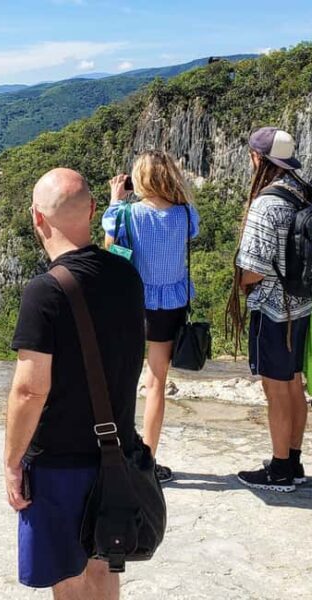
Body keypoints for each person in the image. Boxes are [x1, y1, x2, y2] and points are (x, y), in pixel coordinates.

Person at [4, 167, 145, 599]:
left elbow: (30, 390)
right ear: (92, 211)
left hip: (58, 463)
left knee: (68, 580)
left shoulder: (44, 292)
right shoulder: (127, 276)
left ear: (37, 218)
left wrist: (12, 461)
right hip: (115, 455)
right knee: (105, 566)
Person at [226, 127, 312, 493]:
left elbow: (252, 270)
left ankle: (279, 470)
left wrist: (240, 284)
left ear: (258, 159)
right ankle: (292, 460)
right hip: (304, 305)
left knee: (276, 389)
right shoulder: (304, 192)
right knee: (294, 383)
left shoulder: (267, 202)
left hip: (273, 309)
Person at [102, 150, 200, 483]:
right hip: (170, 303)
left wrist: (117, 200)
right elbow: (190, 233)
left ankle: (117, 455)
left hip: (132, 302)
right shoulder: (186, 215)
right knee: (156, 382)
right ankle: (149, 460)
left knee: (124, 378)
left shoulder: (126, 214)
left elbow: (110, 249)